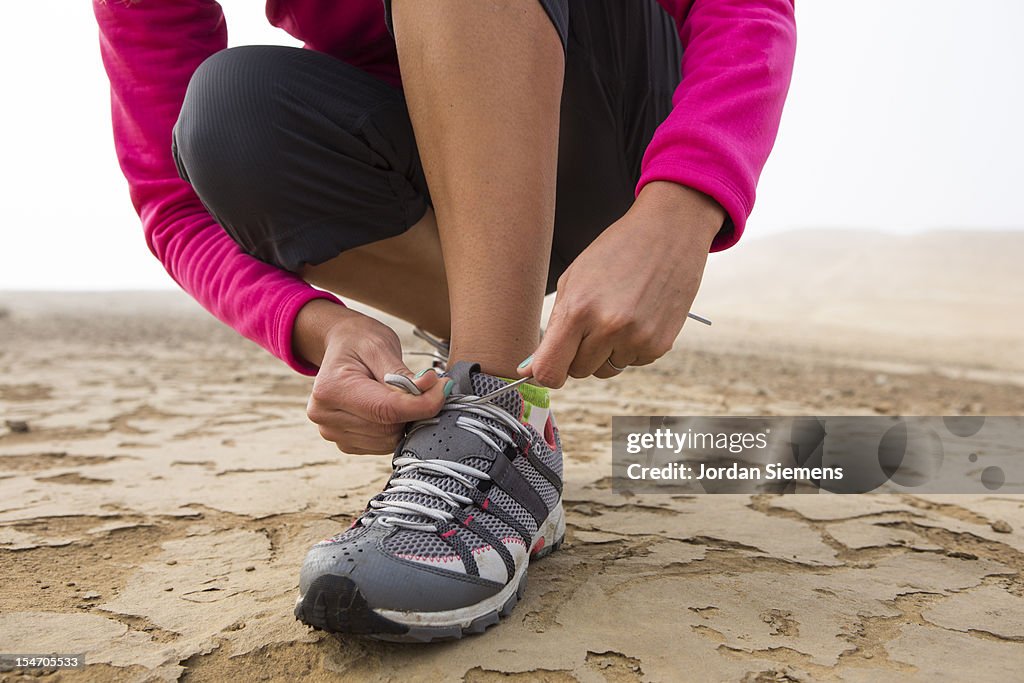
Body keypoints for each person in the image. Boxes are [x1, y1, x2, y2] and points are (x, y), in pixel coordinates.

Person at [94, 0, 796, 641]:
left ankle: (494, 401)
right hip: (438, 167)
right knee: (231, 115)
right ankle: (503, 403)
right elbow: (173, 200)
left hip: (618, 121)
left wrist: (684, 201)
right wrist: (320, 325)